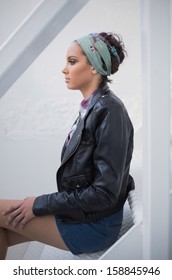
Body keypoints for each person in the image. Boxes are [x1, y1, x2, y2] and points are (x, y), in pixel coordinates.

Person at [0, 32, 134, 259]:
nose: (64, 69)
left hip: (95, 226)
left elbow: (104, 193)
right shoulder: (93, 108)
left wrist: (40, 203)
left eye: (72, 62)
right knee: (4, 228)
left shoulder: (110, 112)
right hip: (82, 214)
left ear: (94, 67)